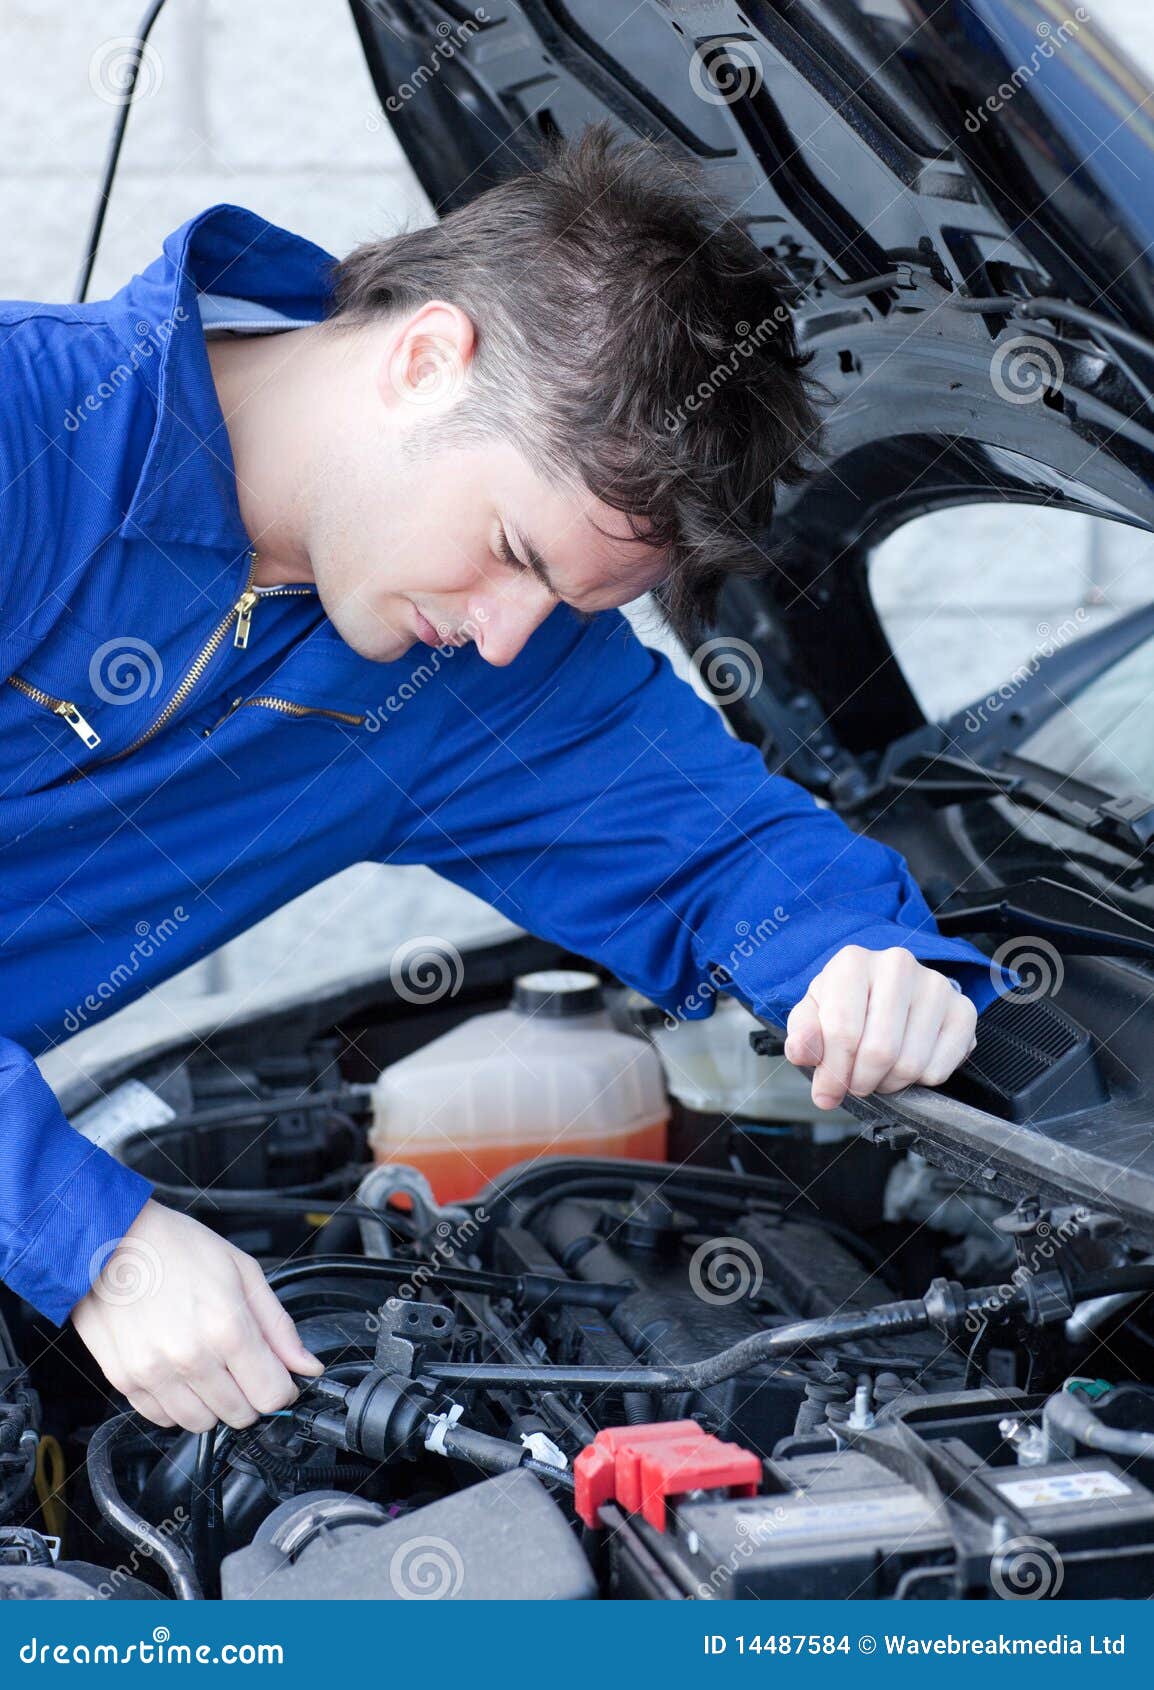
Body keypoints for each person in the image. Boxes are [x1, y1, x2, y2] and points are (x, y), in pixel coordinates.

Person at [0, 127, 1008, 1434]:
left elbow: (722, 851)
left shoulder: (468, 675)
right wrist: (93, 1236)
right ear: (426, 358)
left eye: (561, 600)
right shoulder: (28, 432)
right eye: (508, 550)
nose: (500, 632)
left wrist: (860, 959)